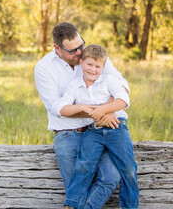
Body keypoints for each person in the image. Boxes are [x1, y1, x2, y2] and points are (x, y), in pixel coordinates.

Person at [34, 22, 130, 208]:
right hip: (68, 132)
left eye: (81, 45)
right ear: (57, 48)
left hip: (100, 130)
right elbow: (56, 107)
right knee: (76, 188)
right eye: (73, 50)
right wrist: (97, 111)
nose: (79, 52)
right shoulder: (43, 67)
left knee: (111, 177)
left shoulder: (93, 55)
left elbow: (122, 85)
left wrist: (107, 109)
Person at [58, 44, 139, 209]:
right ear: (81, 63)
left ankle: (129, 206)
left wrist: (102, 110)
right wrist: (84, 108)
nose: (93, 69)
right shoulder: (75, 85)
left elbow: (124, 100)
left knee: (129, 169)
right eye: (89, 64)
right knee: (83, 166)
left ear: (103, 67)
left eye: (97, 66)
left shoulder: (109, 81)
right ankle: (72, 205)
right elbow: (62, 109)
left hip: (117, 128)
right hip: (93, 130)